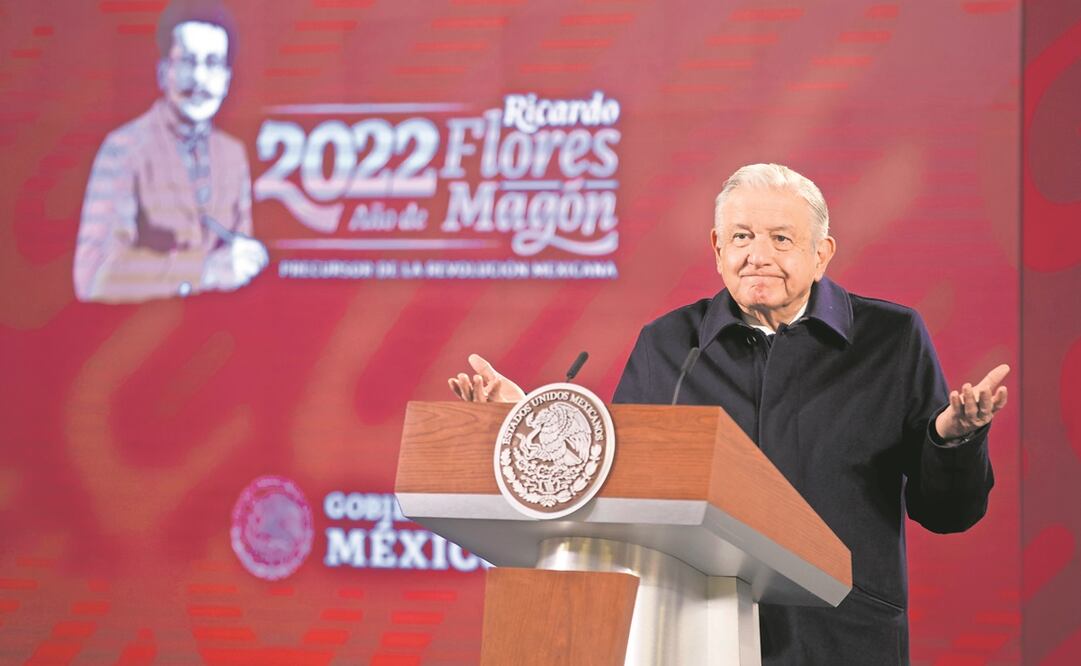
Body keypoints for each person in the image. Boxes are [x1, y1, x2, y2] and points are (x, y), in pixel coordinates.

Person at [448, 163, 1008, 665]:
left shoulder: (890, 339)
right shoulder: (671, 345)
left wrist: (952, 439)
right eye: (741, 237)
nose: (757, 255)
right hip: (692, 631)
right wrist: (533, 424)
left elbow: (948, 513)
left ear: (822, 253)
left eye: (780, 239)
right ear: (717, 248)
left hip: (839, 635)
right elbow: (616, 481)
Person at [73, 0, 267, 303]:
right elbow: (92, 275)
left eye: (213, 64)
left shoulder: (234, 155)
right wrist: (205, 270)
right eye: (188, 62)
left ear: (227, 80)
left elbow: (237, 264)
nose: (201, 80)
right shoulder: (122, 149)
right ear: (163, 72)